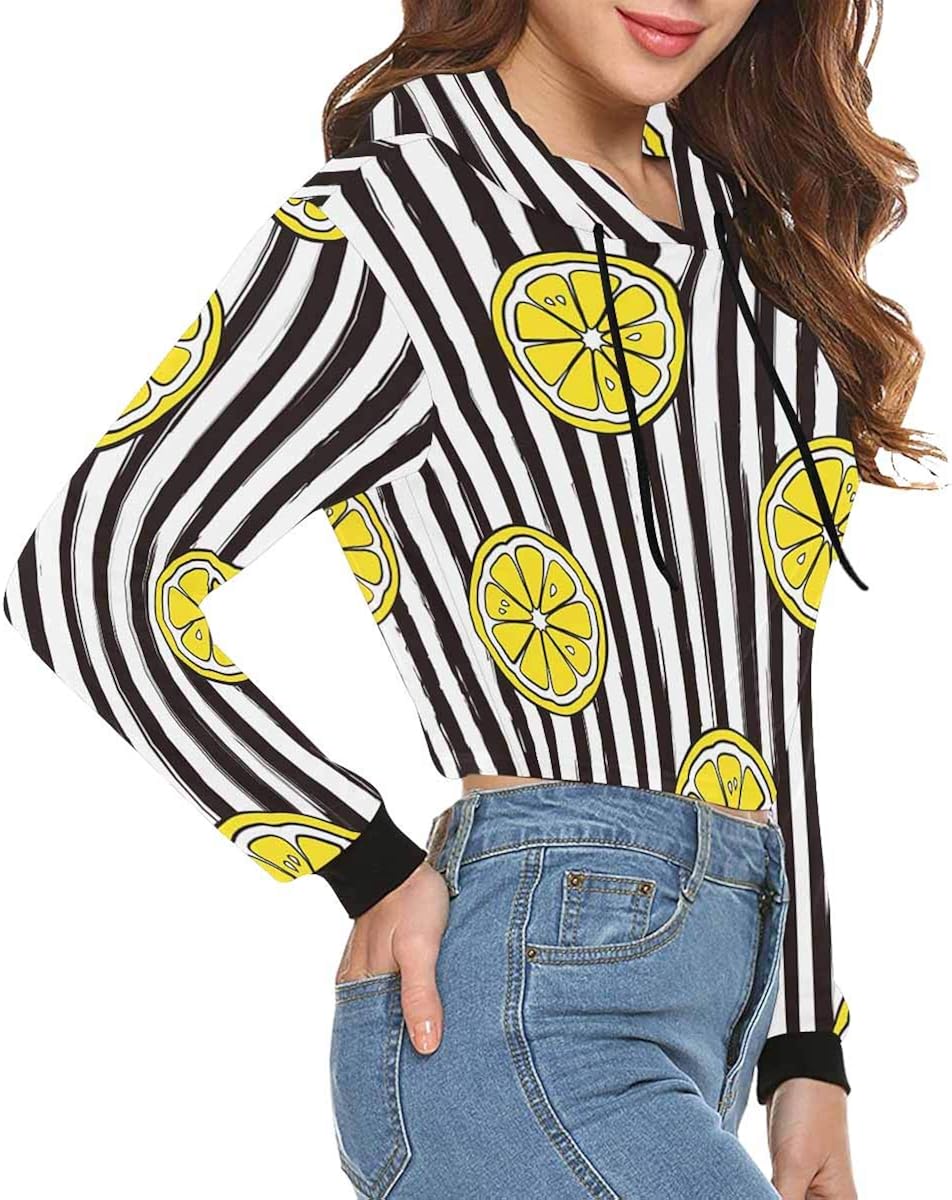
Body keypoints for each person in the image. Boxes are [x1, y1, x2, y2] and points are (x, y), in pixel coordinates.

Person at [4, 2, 944, 1197]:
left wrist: (805, 1054)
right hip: (519, 1011)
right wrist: (359, 855)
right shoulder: (390, 222)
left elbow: (766, 668)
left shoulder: (756, 250)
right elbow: (88, 569)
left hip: (717, 1011)